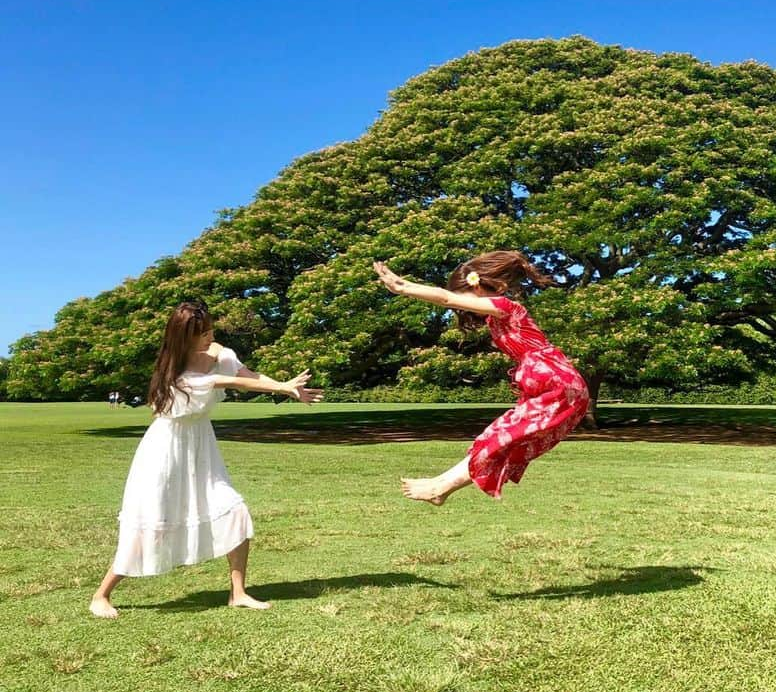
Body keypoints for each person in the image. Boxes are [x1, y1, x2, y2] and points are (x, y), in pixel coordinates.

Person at [89, 300, 323, 619]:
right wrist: (283, 388)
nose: (209, 336)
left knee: (235, 511)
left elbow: (247, 373)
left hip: (200, 447)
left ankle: (237, 593)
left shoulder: (219, 354)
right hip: (165, 453)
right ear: (183, 337)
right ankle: (101, 595)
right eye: (202, 333)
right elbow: (233, 382)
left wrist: (284, 387)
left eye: (210, 329)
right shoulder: (176, 371)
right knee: (152, 524)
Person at [374, 252, 589, 504]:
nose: (460, 304)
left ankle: (439, 488)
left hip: (558, 385)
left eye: (462, 296)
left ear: (477, 286)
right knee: (495, 437)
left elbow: (445, 298)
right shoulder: (494, 316)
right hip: (551, 385)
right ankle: (439, 486)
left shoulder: (504, 306)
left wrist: (404, 287)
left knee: (501, 439)